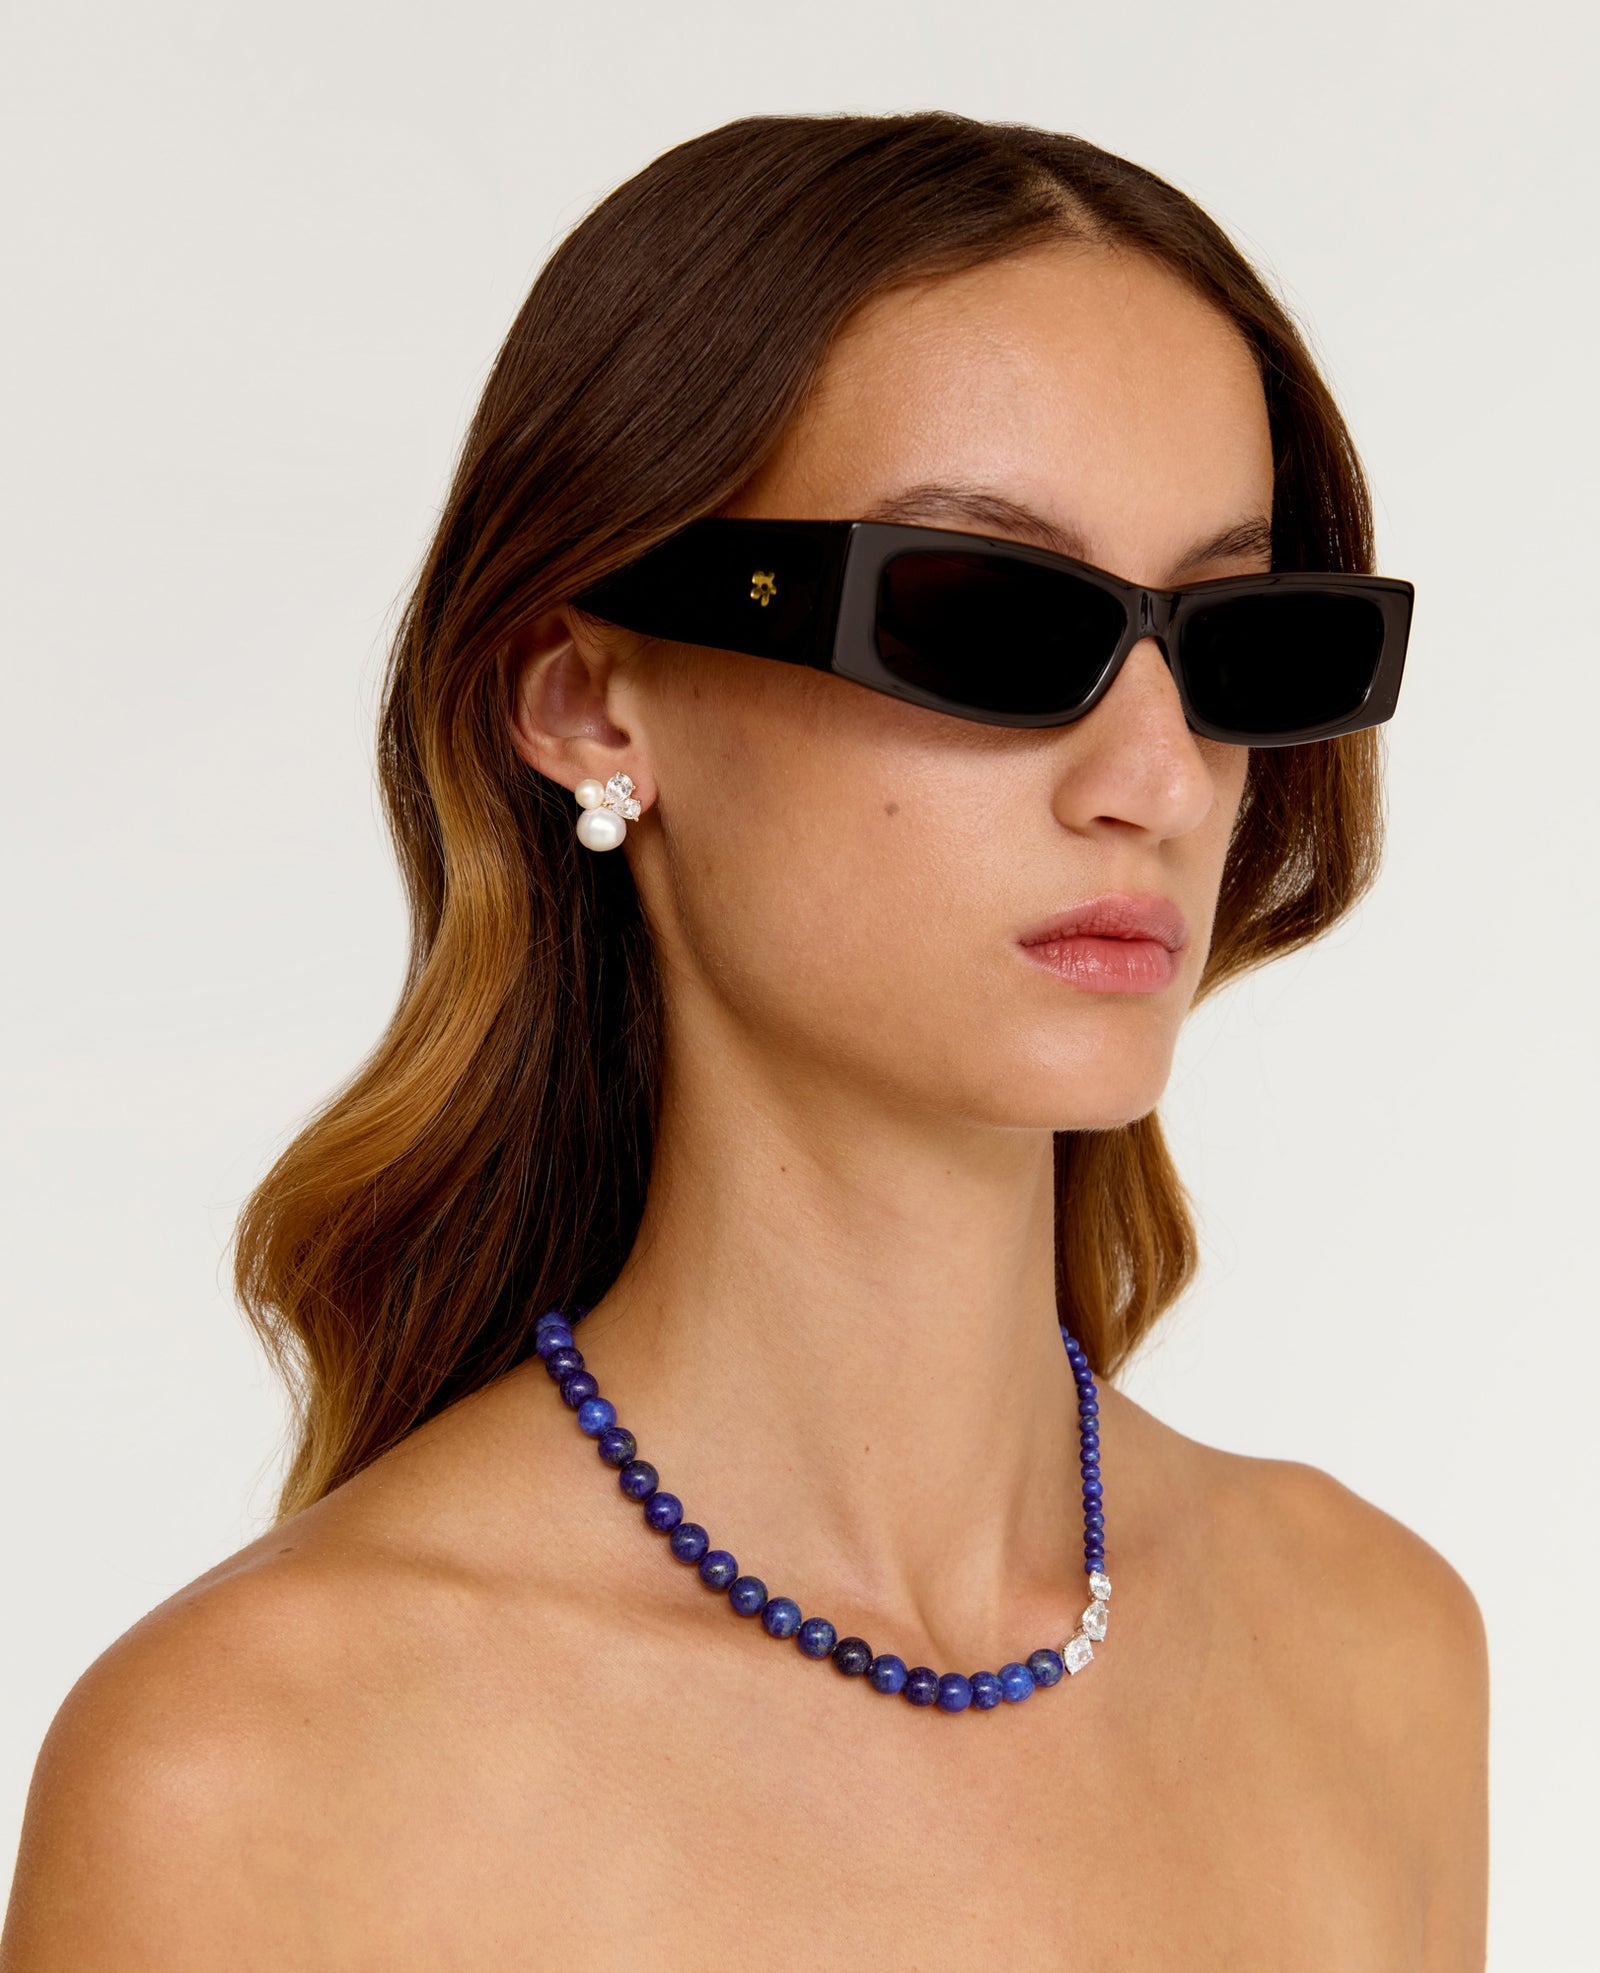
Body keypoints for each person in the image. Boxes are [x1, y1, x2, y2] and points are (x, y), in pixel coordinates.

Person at [1, 111, 1488, 1967]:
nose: (1159, 780)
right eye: (980, 617)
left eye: (1242, 640)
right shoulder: (252, 1779)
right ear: (588, 700)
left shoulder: (1377, 1655)